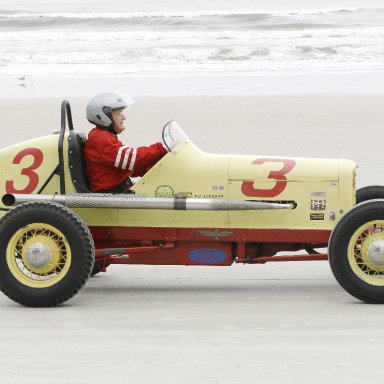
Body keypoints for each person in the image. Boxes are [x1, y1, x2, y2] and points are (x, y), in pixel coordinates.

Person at [84, 91, 167, 193]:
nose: (124, 117)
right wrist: (162, 148)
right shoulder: (100, 139)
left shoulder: (103, 136)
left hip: (120, 190)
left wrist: (153, 166)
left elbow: (126, 167)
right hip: (113, 195)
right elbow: (132, 158)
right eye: (119, 113)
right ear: (103, 116)